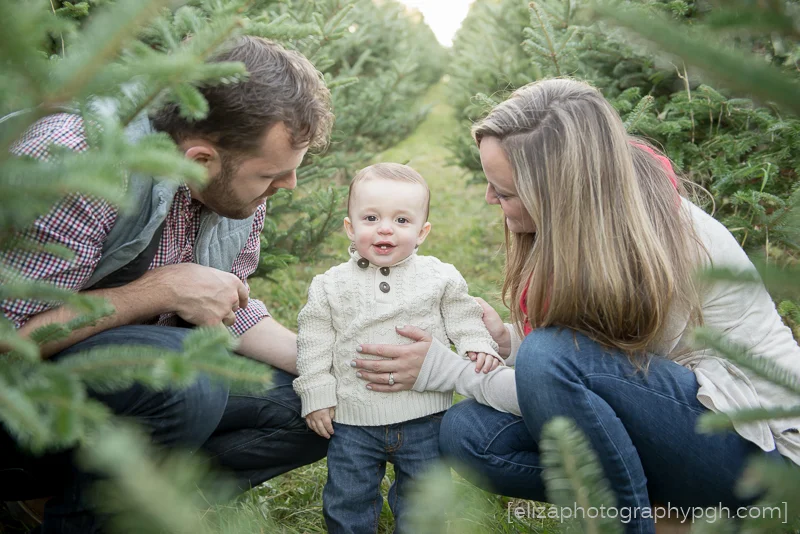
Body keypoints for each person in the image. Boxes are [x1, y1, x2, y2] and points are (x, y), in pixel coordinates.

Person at [349, 79, 800, 534]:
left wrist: (447, 371)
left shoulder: (657, 243)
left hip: (764, 453)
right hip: (684, 420)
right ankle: (663, 517)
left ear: (556, 191)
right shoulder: (594, 220)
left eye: (504, 191)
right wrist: (507, 342)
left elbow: (566, 373)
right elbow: (595, 368)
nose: (490, 199)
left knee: (547, 358)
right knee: (470, 434)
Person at [1, 36, 333, 533]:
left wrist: (325, 361)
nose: (287, 186)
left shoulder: (237, 187)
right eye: (272, 175)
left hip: (112, 395)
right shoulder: (82, 163)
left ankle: (103, 502)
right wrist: (158, 291)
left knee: (314, 402)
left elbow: (226, 304)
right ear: (200, 158)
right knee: (184, 380)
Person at [293, 163, 501, 533]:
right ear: (350, 227)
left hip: (425, 416)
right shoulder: (329, 285)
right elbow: (314, 341)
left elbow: (463, 315)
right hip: (353, 420)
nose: (385, 228)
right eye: (371, 217)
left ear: (422, 233)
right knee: (348, 497)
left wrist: (475, 344)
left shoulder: (440, 277)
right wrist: (316, 392)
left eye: (402, 221)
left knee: (424, 500)